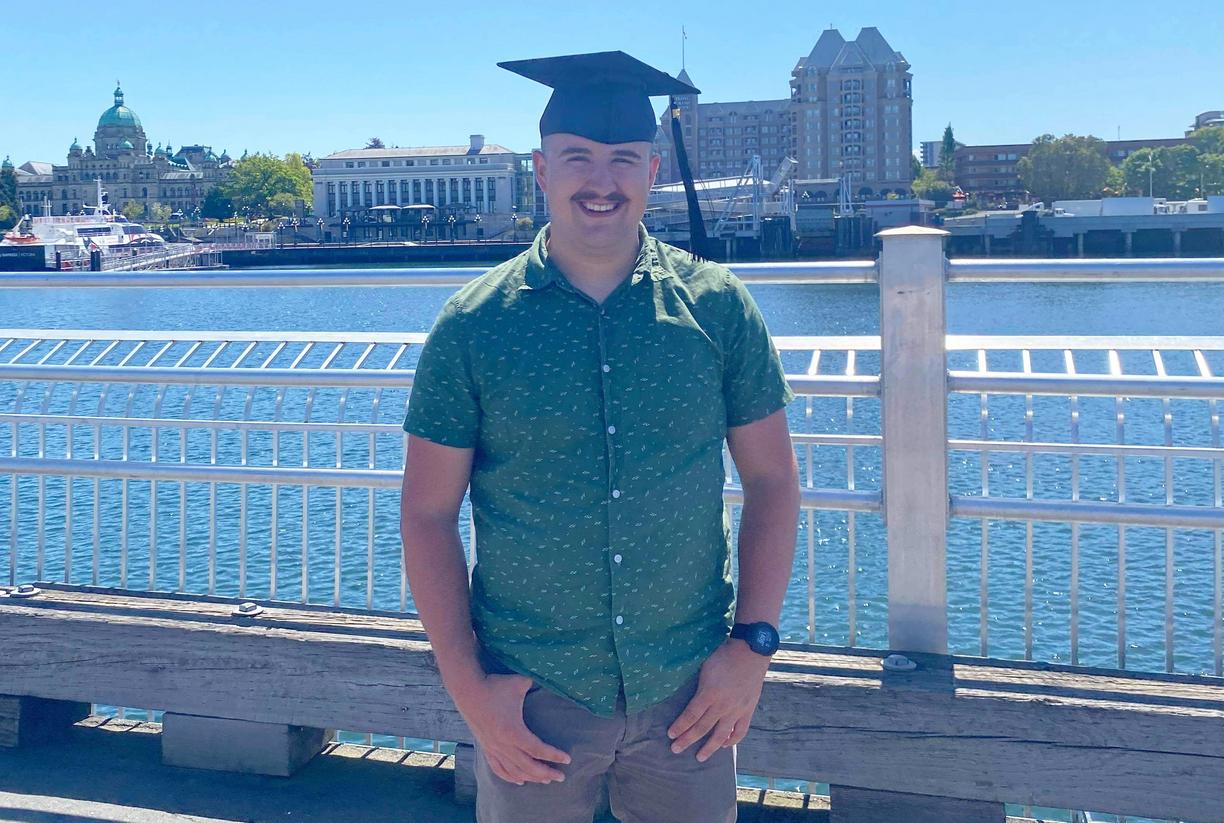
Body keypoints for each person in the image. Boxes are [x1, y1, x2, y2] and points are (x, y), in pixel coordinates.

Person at [400, 50, 799, 823]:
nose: (601, 181)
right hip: (533, 696)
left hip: (688, 691)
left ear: (652, 171)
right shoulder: (474, 326)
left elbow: (774, 481)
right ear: (541, 171)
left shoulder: (718, 309)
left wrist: (750, 649)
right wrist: (470, 691)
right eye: (577, 157)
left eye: (622, 160)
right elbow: (426, 513)